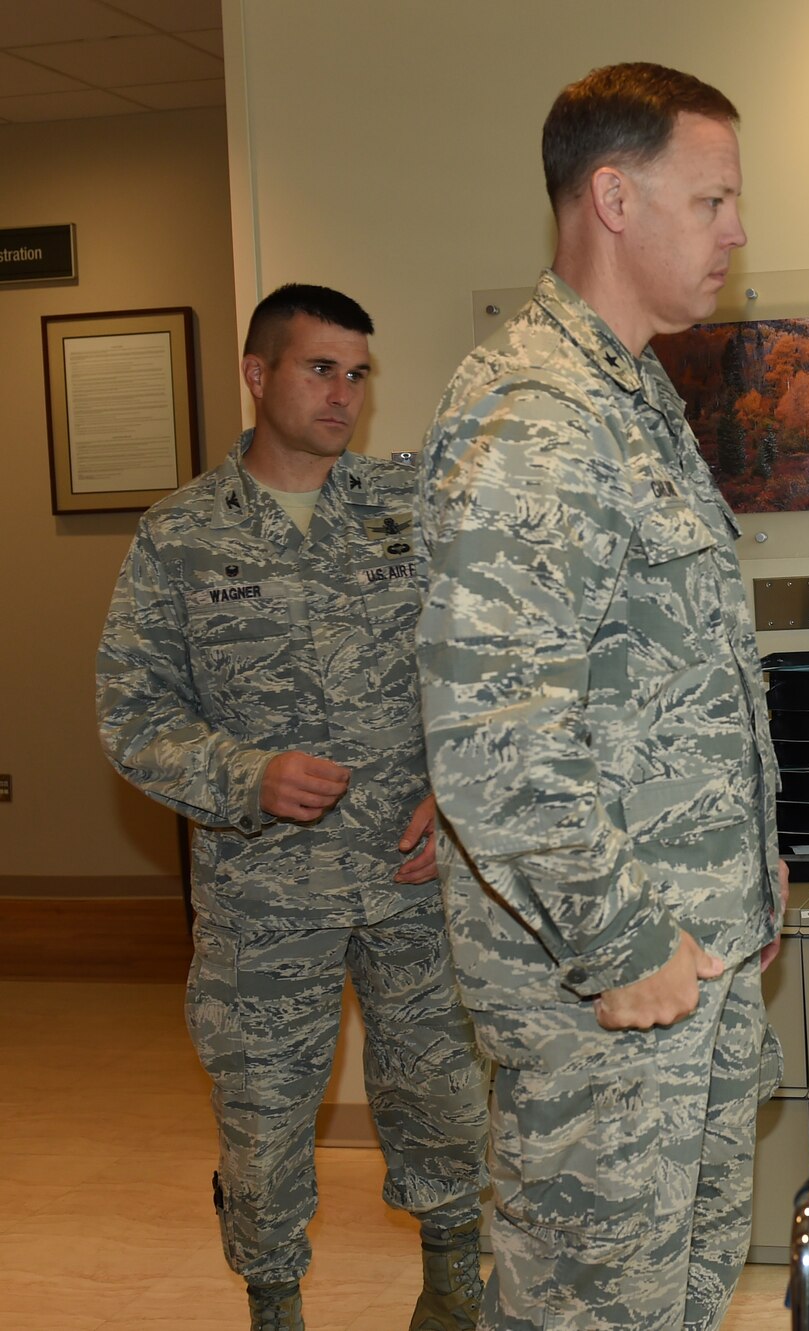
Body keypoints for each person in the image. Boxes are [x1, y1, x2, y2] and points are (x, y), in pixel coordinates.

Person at [415, 63, 784, 1331]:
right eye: (714, 200)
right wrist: (619, 940)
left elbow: (680, 672)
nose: (736, 232)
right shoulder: (537, 411)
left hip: (693, 946)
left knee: (676, 1298)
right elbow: (493, 735)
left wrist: (751, 871)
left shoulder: (633, 395)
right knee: (588, 1307)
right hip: (604, 984)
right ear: (614, 198)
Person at [96, 283, 488, 1330]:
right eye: (320, 368)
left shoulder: (414, 504)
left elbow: (485, 670)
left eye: (358, 373)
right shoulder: (179, 535)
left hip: (413, 880)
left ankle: (452, 1291)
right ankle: (274, 1303)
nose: (344, 394)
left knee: (444, 1098)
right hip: (262, 893)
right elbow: (133, 714)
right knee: (263, 1120)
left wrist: (458, 795)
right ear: (257, 373)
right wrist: (244, 773)